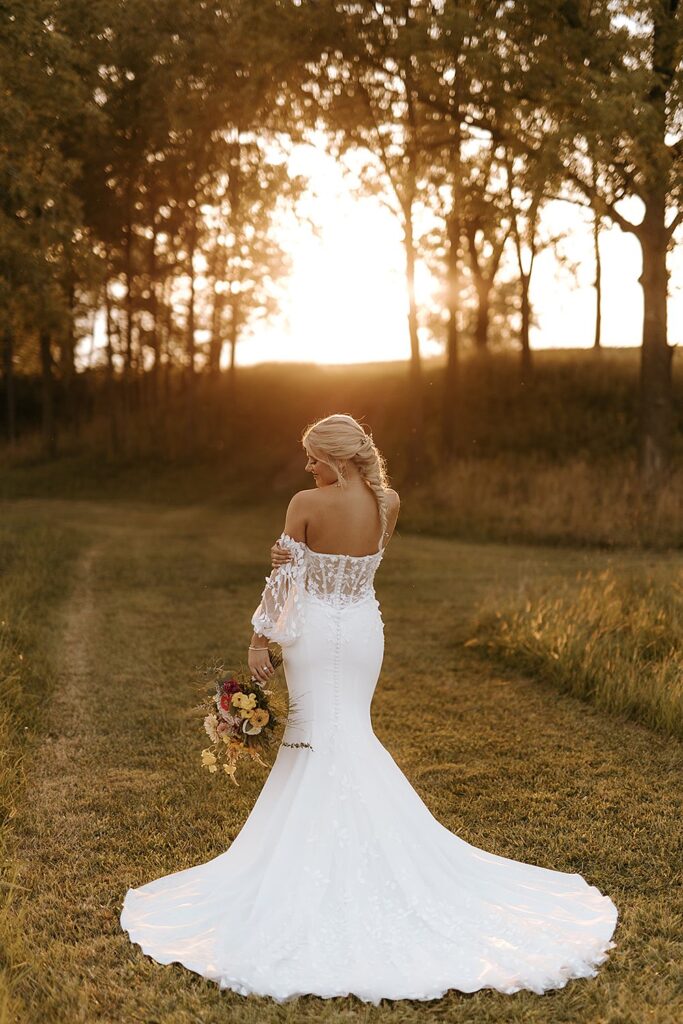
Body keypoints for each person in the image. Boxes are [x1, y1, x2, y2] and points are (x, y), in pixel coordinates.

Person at [120, 413, 618, 1004]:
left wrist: (260, 638)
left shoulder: (305, 502)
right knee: (348, 733)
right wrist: (294, 564)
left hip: (313, 635)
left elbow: (288, 586)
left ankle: (320, 872)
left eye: (311, 455)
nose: (306, 466)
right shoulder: (389, 503)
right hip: (361, 632)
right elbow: (352, 569)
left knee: (316, 737)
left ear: (332, 458)